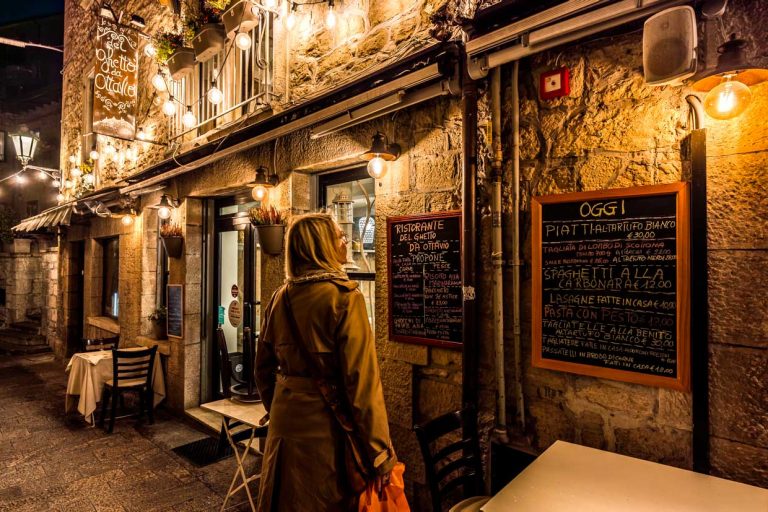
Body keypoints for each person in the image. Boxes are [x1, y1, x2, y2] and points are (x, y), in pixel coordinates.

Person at [256, 213, 396, 512]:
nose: (346, 242)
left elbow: (263, 369)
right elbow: (362, 386)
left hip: (284, 427)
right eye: (339, 237)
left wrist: (280, 404)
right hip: (327, 434)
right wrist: (380, 452)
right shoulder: (345, 299)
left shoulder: (279, 298)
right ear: (323, 247)